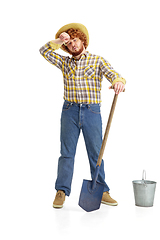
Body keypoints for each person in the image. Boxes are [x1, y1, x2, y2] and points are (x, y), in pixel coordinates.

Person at [39, 23, 126, 209]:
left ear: (82, 40)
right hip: (69, 111)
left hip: (92, 112)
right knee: (66, 153)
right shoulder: (64, 62)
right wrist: (58, 40)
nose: (73, 45)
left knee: (96, 153)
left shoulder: (97, 60)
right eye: (69, 43)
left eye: (75, 40)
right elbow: (44, 51)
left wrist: (118, 81)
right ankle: (61, 191)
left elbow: (114, 74)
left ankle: (102, 191)